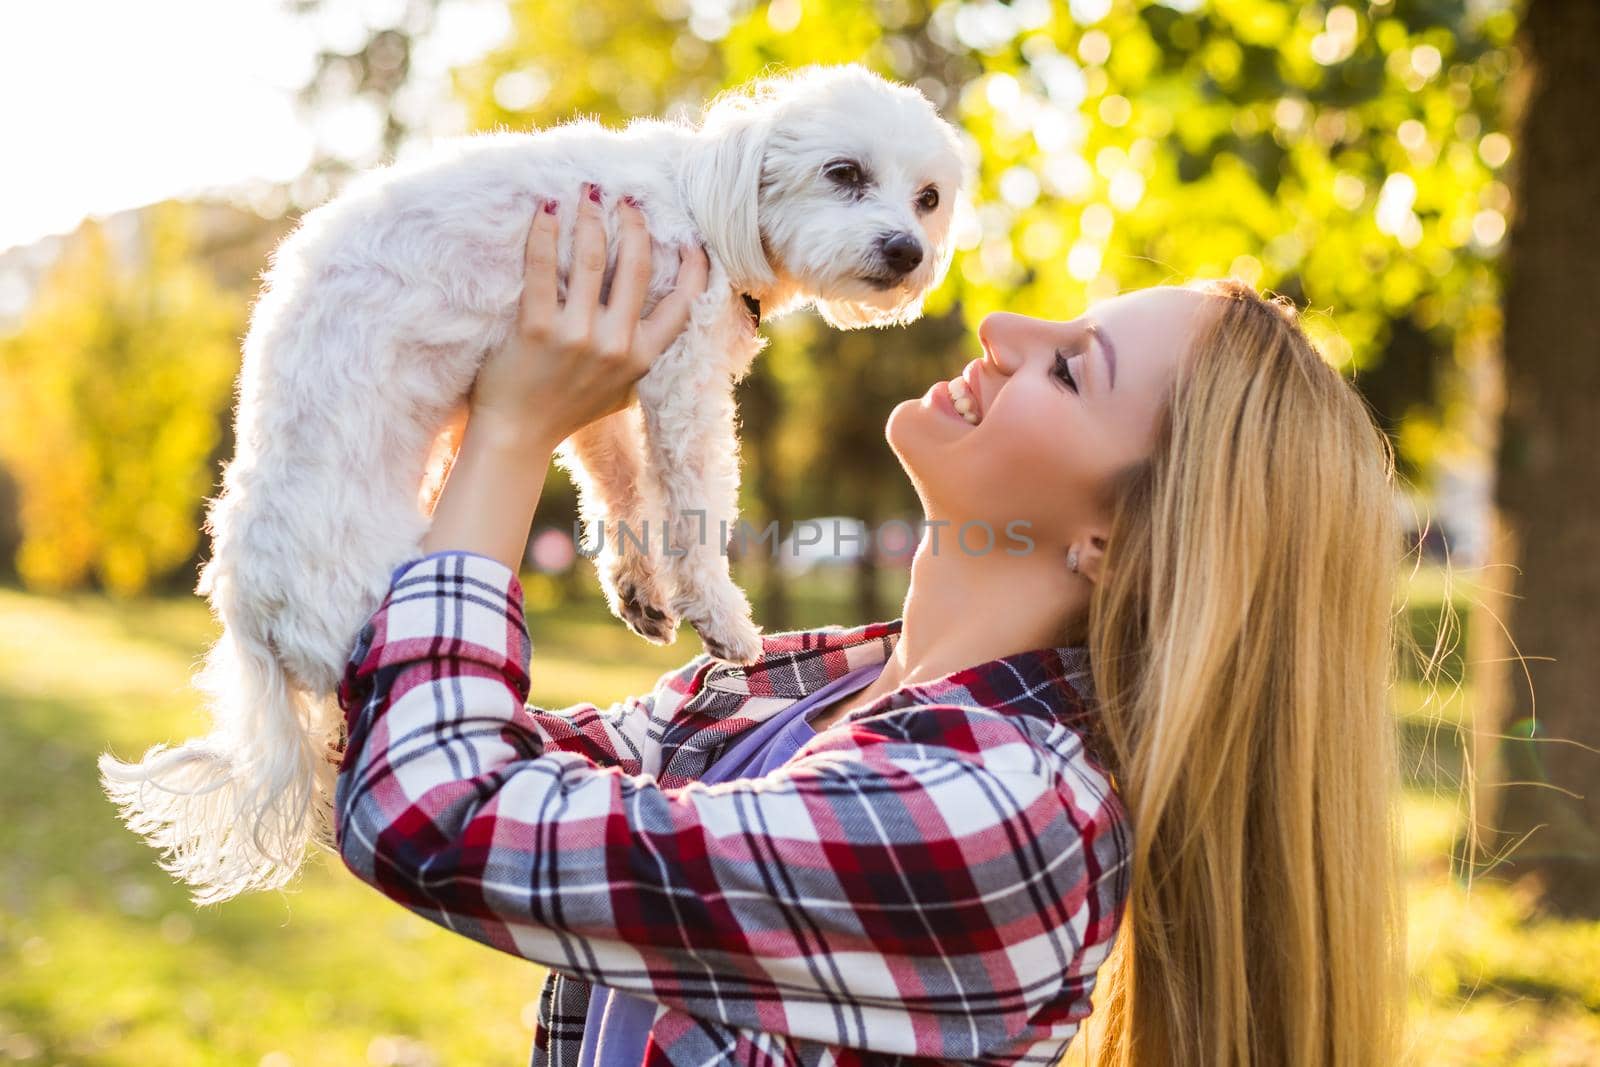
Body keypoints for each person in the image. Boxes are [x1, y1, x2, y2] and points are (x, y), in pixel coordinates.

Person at [332, 185, 1404, 1066]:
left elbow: (430, 808)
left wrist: (518, 430)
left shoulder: (1002, 815)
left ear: (1115, 542)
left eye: (1071, 366)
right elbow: (392, 739)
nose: (999, 329)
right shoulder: (807, 692)